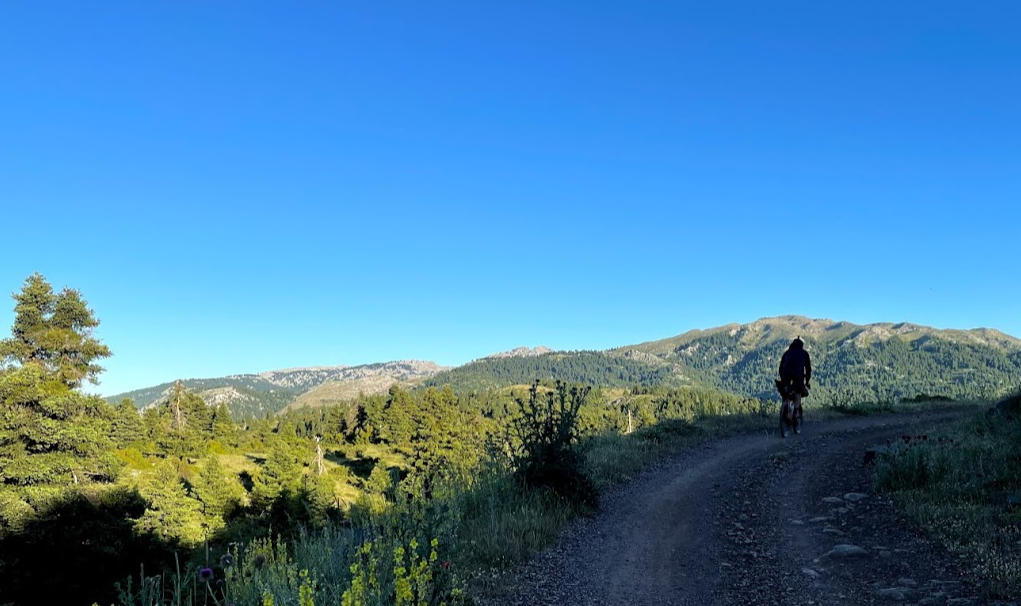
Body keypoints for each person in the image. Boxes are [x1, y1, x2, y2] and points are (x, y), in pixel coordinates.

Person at [778, 337, 812, 418]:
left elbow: (781, 368)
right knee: (798, 392)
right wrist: (807, 381)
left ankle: (785, 407)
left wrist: (783, 379)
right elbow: (808, 369)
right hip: (798, 375)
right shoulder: (804, 353)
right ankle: (795, 412)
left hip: (785, 374)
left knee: (785, 392)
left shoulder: (786, 353)